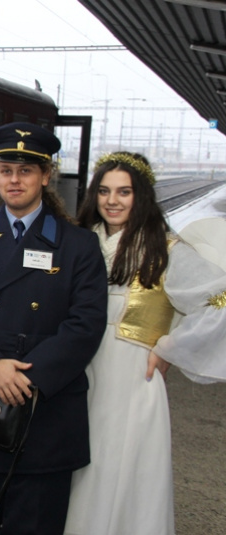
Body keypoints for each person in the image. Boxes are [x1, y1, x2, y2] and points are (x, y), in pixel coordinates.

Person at [0, 122, 108, 535]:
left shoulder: (78, 247)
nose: (15, 180)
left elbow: (85, 324)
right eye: (6, 169)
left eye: (26, 171)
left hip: (43, 415)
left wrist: (28, 378)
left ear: (46, 177)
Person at [64, 152, 226, 535]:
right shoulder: (79, 243)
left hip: (130, 375)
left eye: (125, 191)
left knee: (118, 465)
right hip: (74, 368)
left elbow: (218, 301)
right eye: (103, 191)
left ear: (143, 197)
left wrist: (170, 347)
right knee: (74, 462)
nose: (112, 201)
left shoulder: (165, 250)